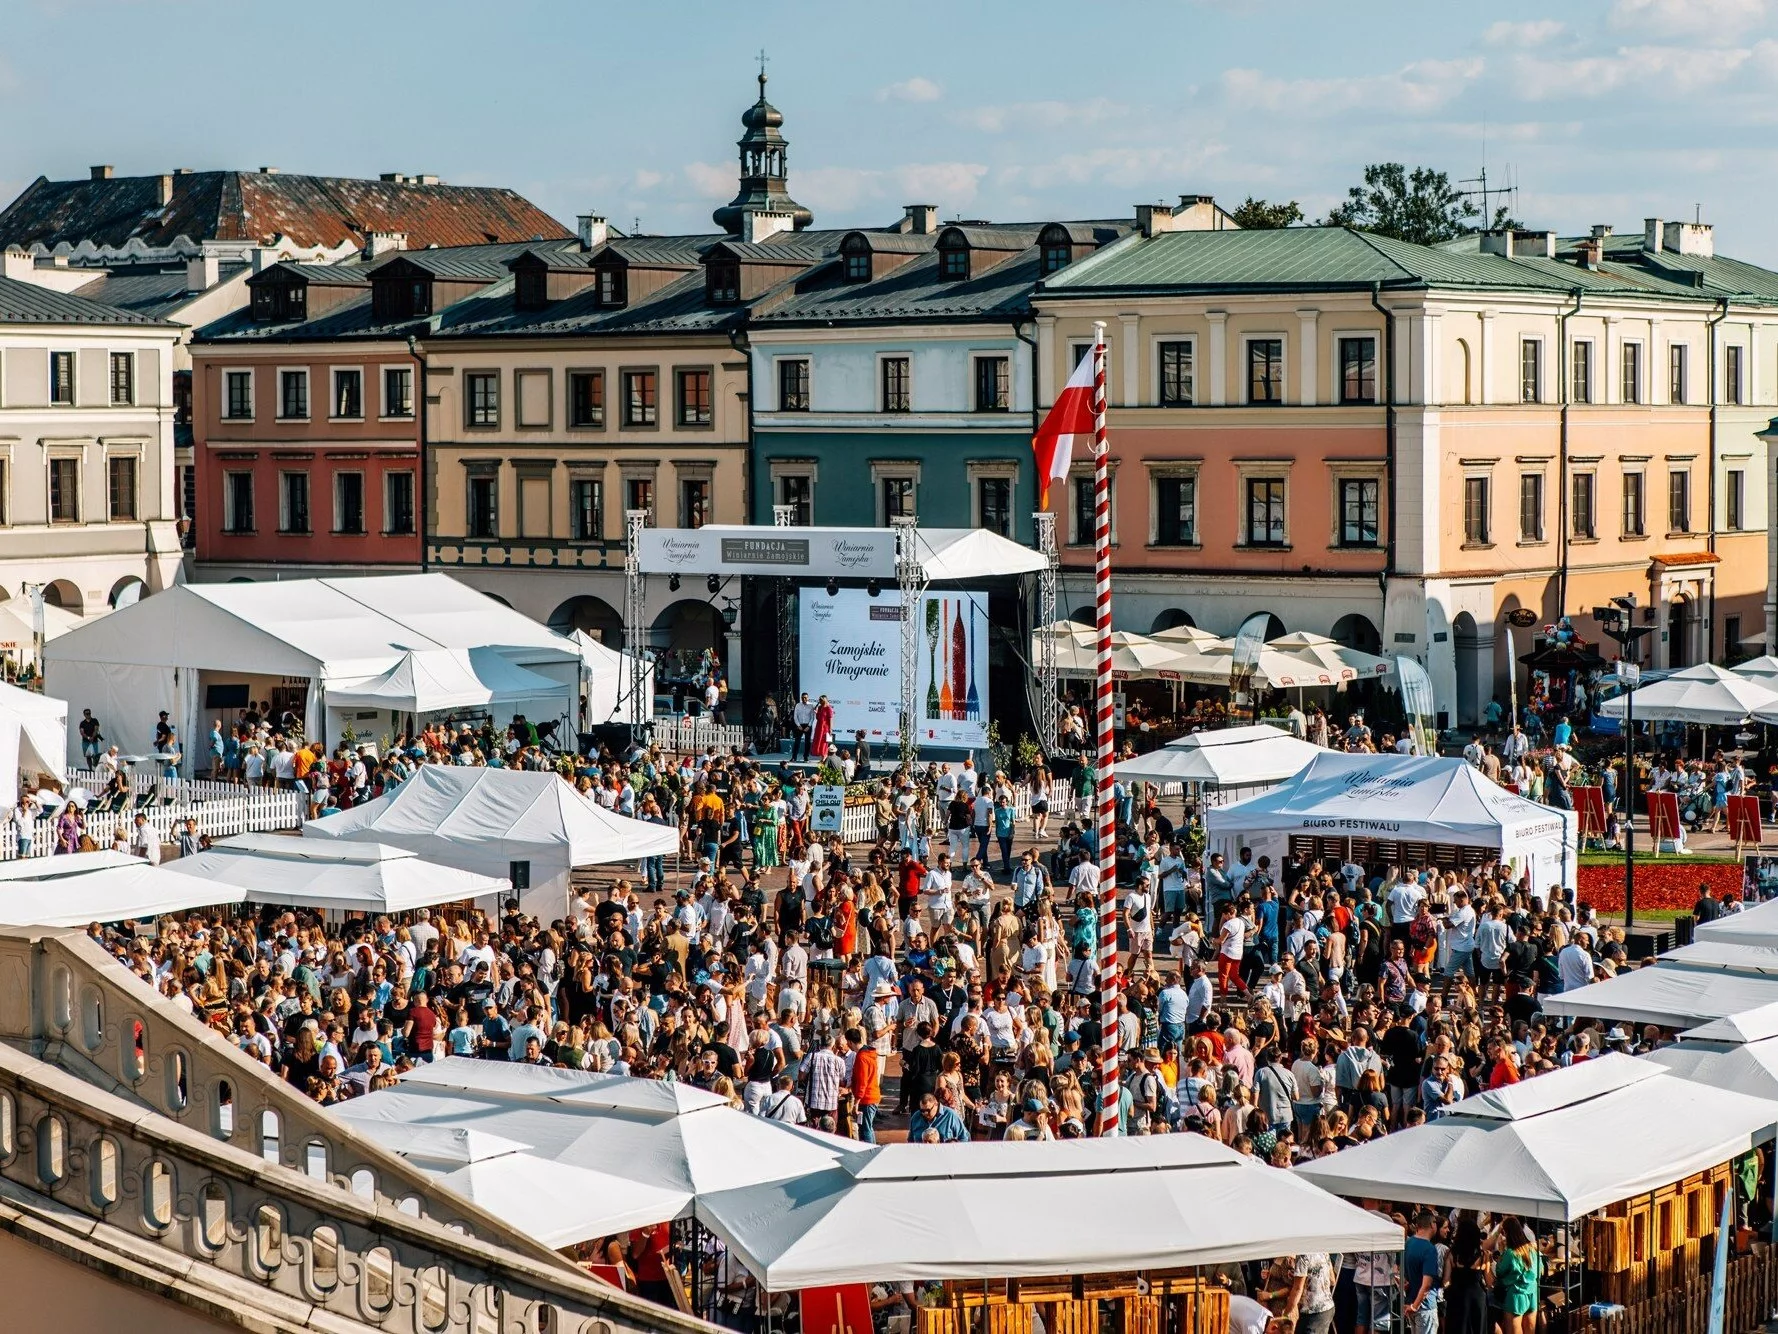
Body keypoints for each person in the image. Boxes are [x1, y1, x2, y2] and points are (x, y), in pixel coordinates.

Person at [1493, 1218, 1542, 1334]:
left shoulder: (1511, 1253)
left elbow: (1499, 1271)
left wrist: (1501, 1252)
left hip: (1516, 1295)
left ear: (1506, 1233)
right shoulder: (1532, 1249)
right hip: (1532, 1292)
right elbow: (1540, 1270)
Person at [810, 695, 834, 761]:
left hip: (825, 728)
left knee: (824, 743)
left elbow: (830, 719)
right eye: (819, 700)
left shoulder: (829, 708)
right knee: (819, 742)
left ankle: (824, 757)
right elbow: (818, 718)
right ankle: (822, 757)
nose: (819, 702)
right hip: (819, 727)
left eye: (821, 700)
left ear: (824, 700)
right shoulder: (820, 707)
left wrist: (830, 729)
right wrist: (816, 712)